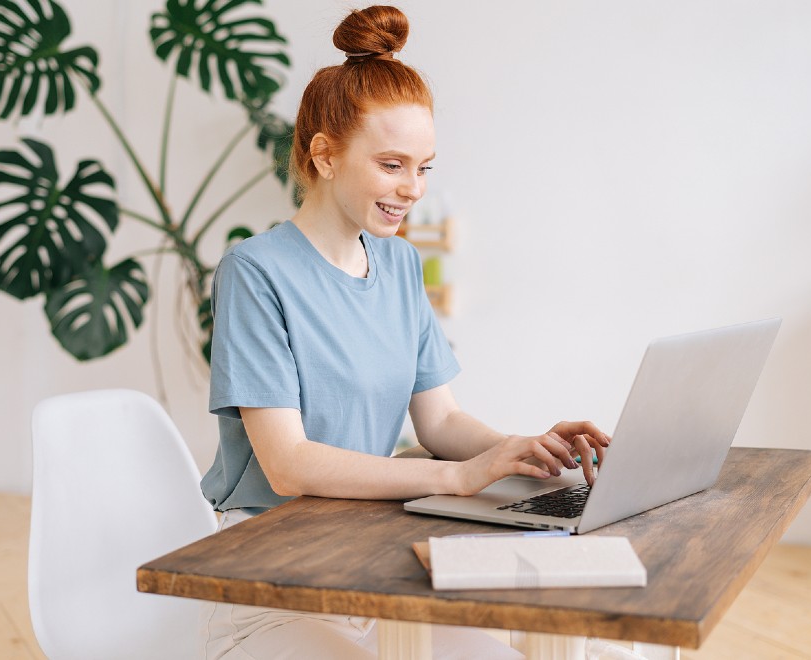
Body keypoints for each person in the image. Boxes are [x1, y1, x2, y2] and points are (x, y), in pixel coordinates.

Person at [200, 6, 610, 658]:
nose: (413, 188)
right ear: (324, 155)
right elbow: (287, 465)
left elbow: (438, 422)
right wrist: (458, 479)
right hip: (266, 567)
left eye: (425, 167)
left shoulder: (398, 263)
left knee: (538, 641)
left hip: (370, 545)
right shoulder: (255, 273)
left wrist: (520, 450)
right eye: (393, 165)